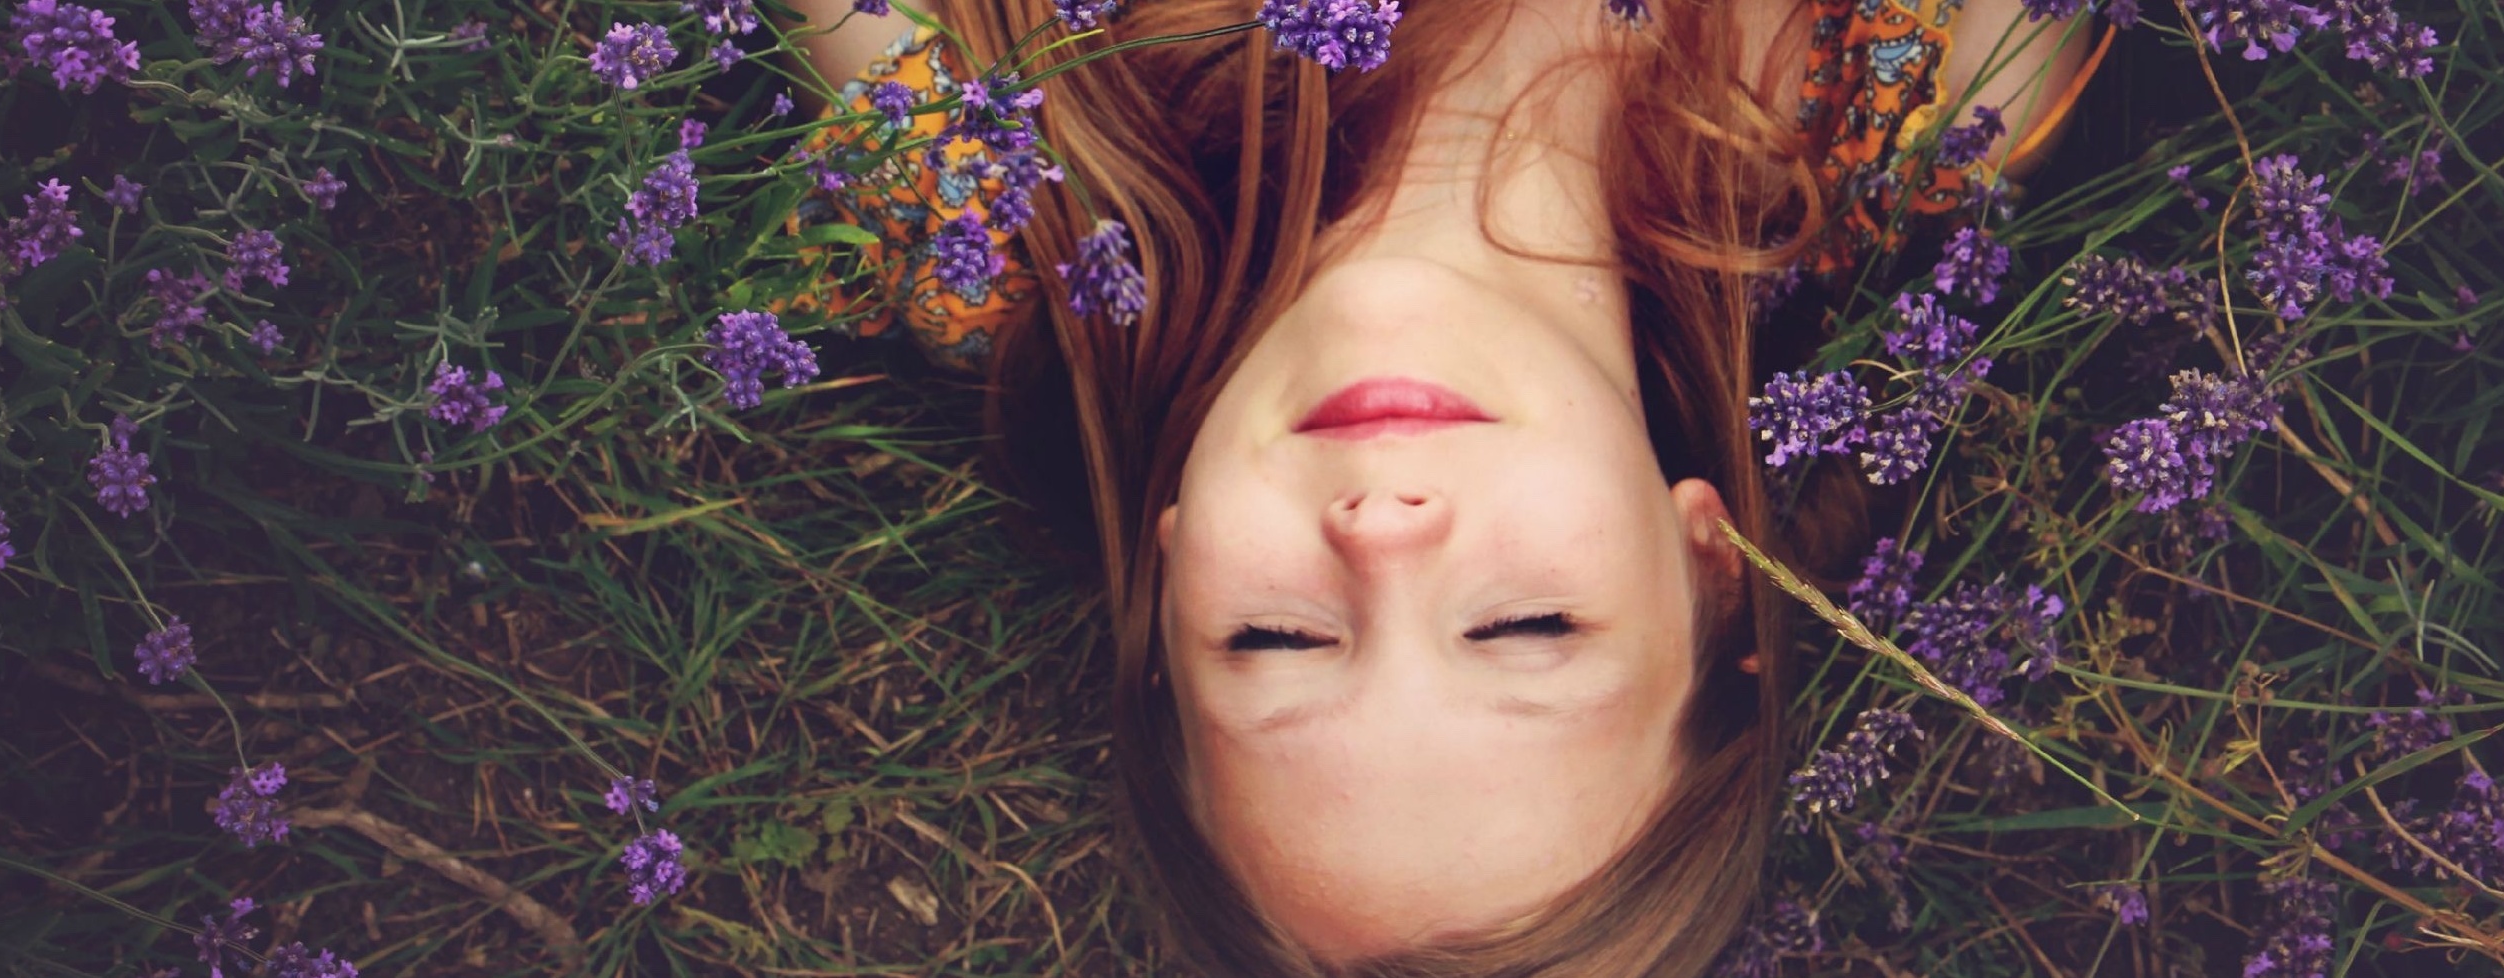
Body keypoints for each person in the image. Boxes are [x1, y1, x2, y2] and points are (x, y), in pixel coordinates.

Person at [775, 0, 2104, 973]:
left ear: (1174, 575)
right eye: (1524, 626)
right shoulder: (1936, 76)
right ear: (1709, 565)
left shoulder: (990, 174)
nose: (1385, 540)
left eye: (1278, 638)